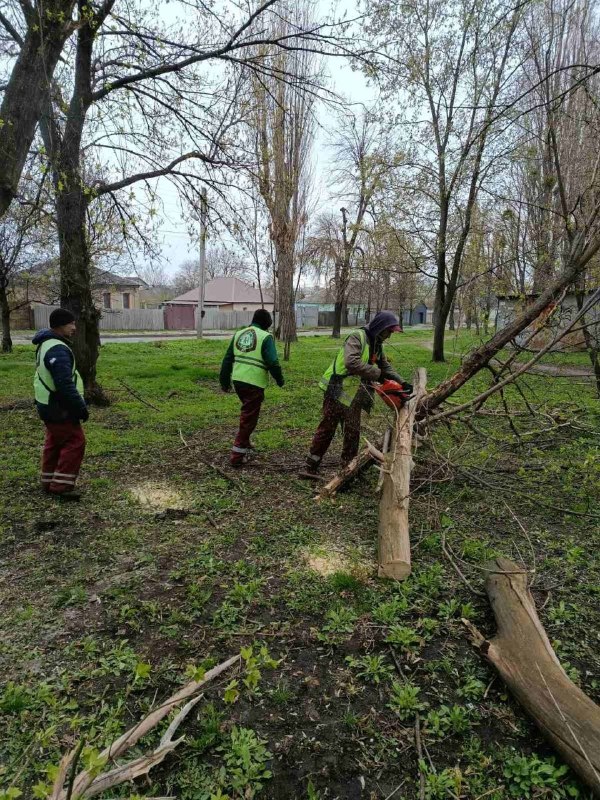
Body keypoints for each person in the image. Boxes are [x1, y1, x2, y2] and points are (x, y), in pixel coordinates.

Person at [304, 310, 413, 475]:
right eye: (388, 331)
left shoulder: (376, 343)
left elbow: (384, 366)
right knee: (328, 426)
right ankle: (312, 464)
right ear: (380, 327)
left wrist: (401, 381)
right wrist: (377, 374)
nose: (389, 336)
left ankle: (348, 468)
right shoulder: (357, 337)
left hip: (354, 392)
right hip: (337, 386)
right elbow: (351, 362)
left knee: (352, 431)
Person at [33, 308, 89, 500]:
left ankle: (48, 481)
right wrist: (80, 407)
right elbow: (64, 384)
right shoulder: (58, 349)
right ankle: (61, 486)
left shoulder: (45, 344)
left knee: (55, 442)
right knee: (75, 442)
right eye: (70, 324)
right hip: (59, 407)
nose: (74, 327)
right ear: (59, 326)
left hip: (47, 404)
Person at [220, 309, 284, 466]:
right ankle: (237, 455)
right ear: (267, 324)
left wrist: (224, 381)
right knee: (249, 419)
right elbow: (273, 362)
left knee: (248, 412)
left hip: (238, 381)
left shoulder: (240, 333)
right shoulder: (265, 337)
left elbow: (227, 359)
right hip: (253, 383)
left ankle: (245, 442)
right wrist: (279, 379)